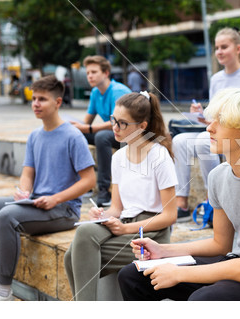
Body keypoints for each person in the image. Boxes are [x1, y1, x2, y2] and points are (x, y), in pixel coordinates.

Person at [117, 88, 240, 301]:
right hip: (234, 260)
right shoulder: (218, 175)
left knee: (203, 300)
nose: (209, 128)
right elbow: (221, 244)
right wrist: (163, 251)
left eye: (221, 121)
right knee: (133, 276)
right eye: (212, 119)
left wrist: (179, 273)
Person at [64, 91, 178, 301]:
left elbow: (170, 216)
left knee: (73, 257)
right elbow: (117, 208)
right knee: (84, 234)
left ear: (142, 126)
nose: (114, 127)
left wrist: (125, 228)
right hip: (124, 222)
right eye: (113, 120)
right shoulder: (118, 158)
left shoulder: (159, 156)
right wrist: (103, 214)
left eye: (122, 123)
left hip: (151, 232)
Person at [0, 75, 96, 301]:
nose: (36, 104)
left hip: (64, 210)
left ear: (58, 102)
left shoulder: (73, 136)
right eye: (34, 98)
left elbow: (89, 181)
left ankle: (2, 292)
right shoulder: (35, 135)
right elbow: (28, 172)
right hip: (37, 203)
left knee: (7, 216)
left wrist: (56, 199)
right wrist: (24, 192)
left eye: (42, 99)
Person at [173, 27, 240, 221]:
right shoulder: (216, 79)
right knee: (180, 140)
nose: (219, 52)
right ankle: (181, 202)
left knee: (203, 141)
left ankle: (212, 199)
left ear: (238, 49)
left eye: (224, 47)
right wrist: (201, 114)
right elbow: (216, 112)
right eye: (217, 48)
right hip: (220, 131)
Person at [70, 55, 131, 207]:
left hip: (130, 134)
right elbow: (87, 122)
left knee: (102, 136)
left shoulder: (118, 91)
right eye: (88, 73)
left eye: (94, 72)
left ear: (105, 73)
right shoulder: (95, 93)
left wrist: (87, 128)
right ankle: (83, 184)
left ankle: (104, 190)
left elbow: (116, 122)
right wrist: (74, 127)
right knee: (75, 134)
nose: (90, 75)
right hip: (116, 133)